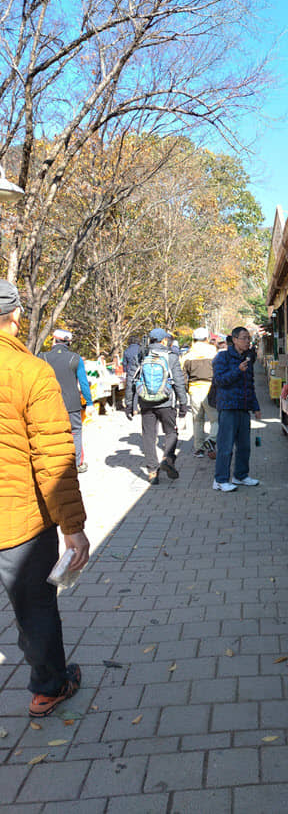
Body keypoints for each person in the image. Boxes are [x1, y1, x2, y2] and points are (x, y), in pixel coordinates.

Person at [0, 280, 89, 717]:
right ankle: (47, 687)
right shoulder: (30, 372)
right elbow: (54, 459)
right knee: (35, 606)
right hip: (19, 521)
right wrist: (73, 529)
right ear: (16, 317)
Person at [124, 327, 188, 484]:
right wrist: (183, 403)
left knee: (148, 436)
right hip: (167, 402)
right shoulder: (171, 356)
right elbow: (179, 381)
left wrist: (129, 404)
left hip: (146, 402)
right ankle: (168, 459)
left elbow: (131, 380)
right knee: (171, 433)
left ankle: (152, 471)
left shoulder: (141, 355)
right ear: (164, 340)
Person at [212, 325, 261, 492]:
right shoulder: (222, 358)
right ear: (234, 340)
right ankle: (220, 480)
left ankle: (240, 475)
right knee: (225, 446)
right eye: (244, 338)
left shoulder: (248, 359)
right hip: (228, 407)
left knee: (244, 445)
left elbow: (250, 385)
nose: (248, 341)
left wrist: (256, 407)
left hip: (243, 407)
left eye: (249, 338)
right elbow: (219, 380)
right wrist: (237, 371)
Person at [40, 328, 94, 472]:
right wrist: (89, 403)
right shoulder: (75, 358)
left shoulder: (42, 357)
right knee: (75, 432)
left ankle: (51, 463)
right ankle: (76, 464)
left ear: (53, 340)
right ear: (68, 343)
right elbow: (83, 383)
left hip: (48, 404)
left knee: (50, 433)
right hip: (72, 404)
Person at [182, 327, 218, 457]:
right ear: (207, 339)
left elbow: (183, 376)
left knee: (197, 420)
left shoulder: (187, 356)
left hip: (194, 390)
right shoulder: (214, 352)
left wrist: (188, 389)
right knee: (216, 419)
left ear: (193, 339)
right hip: (210, 390)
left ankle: (199, 449)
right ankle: (211, 440)